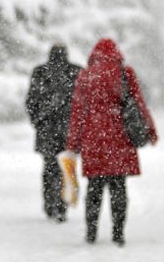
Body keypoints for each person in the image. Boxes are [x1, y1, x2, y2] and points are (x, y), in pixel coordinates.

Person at [66, 38, 158, 246]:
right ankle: (118, 233)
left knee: (94, 187)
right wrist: (150, 130)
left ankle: (91, 232)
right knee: (118, 186)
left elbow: (78, 112)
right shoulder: (125, 73)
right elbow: (139, 103)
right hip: (120, 137)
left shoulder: (86, 75)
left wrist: (73, 143)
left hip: (93, 138)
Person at [26, 43, 82, 223]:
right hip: (69, 130)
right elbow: (84, 103)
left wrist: (38, 121)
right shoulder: (76, 72)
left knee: (49, 167)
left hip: (47, 129)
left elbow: (31, 101)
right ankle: (62, 205)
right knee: (66, 167)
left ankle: (50, 204)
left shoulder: (40, 72)